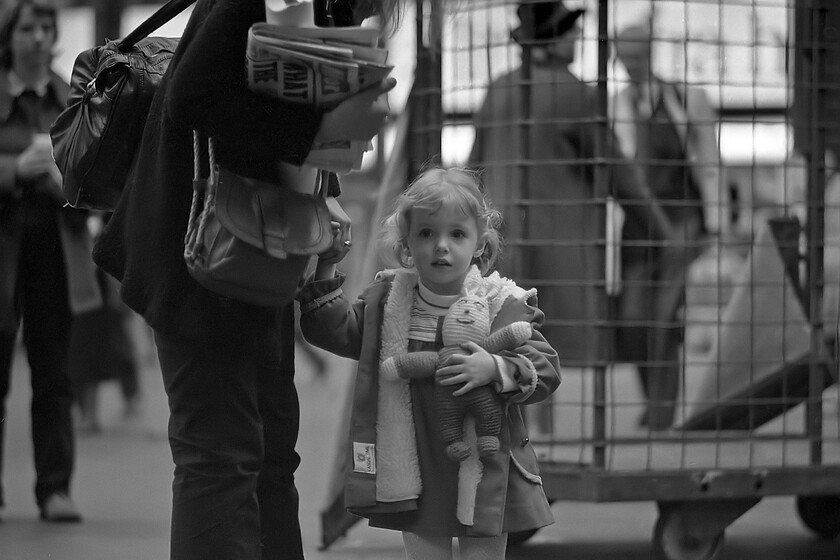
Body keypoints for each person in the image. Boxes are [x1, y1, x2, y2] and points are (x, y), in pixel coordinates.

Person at [90, 0, 440, 558]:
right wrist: (320, 132)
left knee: (270, 452)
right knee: (221, 456)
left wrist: (324, 161)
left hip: (252, 249)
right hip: (205, 250)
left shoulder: (313, 6)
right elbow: (196, 96)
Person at [296, 166, 561, 560]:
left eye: (456, 234)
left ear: (479, 244)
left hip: (485, 464)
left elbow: (546, 370)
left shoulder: (501, 303)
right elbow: (333, 330)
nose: (441, 246)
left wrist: (495, 369)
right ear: (406, 245)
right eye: (426, 233)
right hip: (417, 469)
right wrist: (326, 265)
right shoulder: (387, 303)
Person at [468, 2, 674, 368]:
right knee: (554, 360)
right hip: (563, 256)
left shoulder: (497, 90)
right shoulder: (577, 94)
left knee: (506, 351)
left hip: (500, 249)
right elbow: (619, 175)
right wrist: (663, 232)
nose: (577, 38)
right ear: (550, 39)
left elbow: (473, 173)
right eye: (569, 31)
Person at [0, 0, 101, 522]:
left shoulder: (74, 97)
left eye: (46, 28)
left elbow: (98, 182)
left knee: (54, 372)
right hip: (6, 248)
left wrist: (66, 185)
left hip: (55, 255)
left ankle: (54, 488)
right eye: (27, 28)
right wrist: (14, 169)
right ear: (9, 35)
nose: (38, 37)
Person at [611, 21, 731, 429]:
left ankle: (662, 410)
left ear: (649, 53)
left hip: (681, 220)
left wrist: (715, 221)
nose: (631, 65)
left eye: (637, 56)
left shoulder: (686, 99)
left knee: (664, 316)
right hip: (638, 226)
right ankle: (654, 399)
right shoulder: (618, 104)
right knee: (631, 316)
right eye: (625, 58)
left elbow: (709, 162)